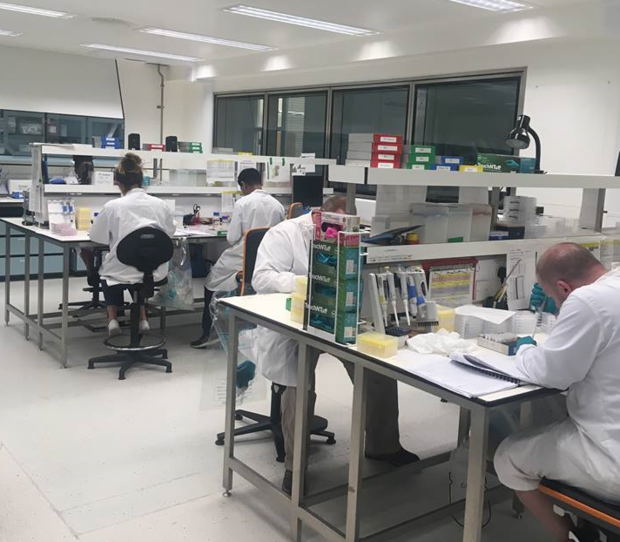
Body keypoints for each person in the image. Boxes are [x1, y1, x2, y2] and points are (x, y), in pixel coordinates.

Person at [252, 195, 419, 494]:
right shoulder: (284, 234)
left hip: (341, 317)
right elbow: (261, 279)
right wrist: (313, 281)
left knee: (379, 370)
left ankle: (383, 446)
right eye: (333, 226)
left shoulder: (353, 238)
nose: (337, 235)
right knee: (297, 383)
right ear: (318, 215)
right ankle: (295, 467)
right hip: (294, 321)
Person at [494, 243, 620, 542]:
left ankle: (570, 537)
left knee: (508, 457)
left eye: (554, 297)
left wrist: (525, 348)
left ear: (564, 288)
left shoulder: (586, 300)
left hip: (611, 458)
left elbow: (552, 374)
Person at [190, 168, 285, 348]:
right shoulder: (277, 205)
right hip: (267, 262)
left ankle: (207, 333)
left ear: (244, 185)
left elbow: (232, 238)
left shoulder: (243, 203)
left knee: (210, 282)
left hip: (241, 259)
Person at [90, 153, 176, 337]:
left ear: (118, 183)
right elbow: (170, 233)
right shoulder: (160, 205)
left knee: (110, 271)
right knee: (139, 269)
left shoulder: (113, 206)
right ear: (140, 180)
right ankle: (142, 318)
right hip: (155, 270)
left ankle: (112, 319)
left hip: (122, 268)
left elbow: (97, 237)